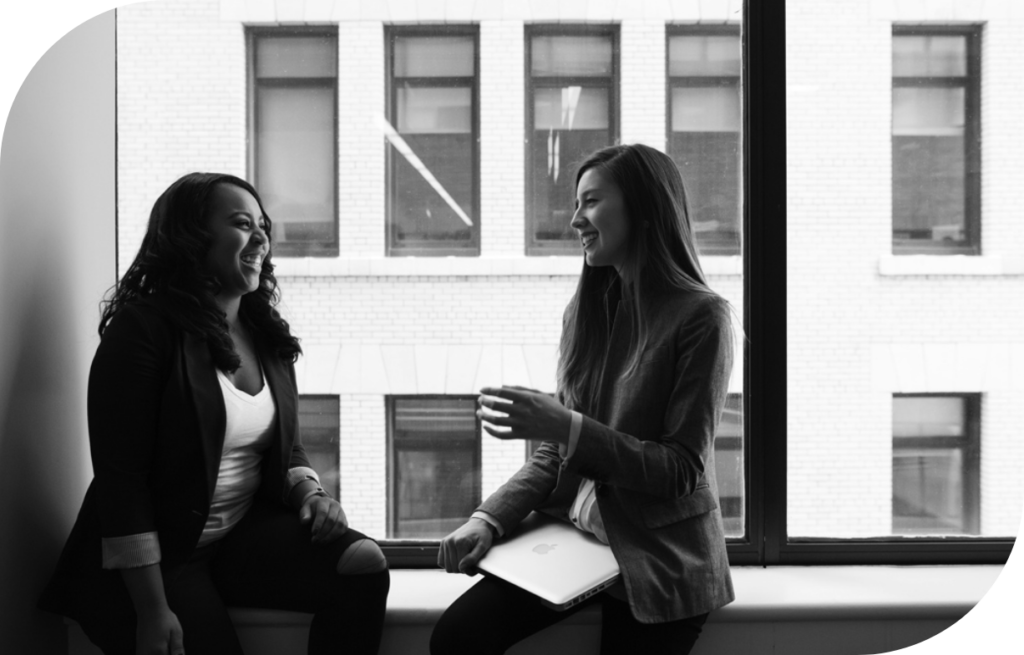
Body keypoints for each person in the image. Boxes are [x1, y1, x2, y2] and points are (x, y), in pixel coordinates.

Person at [38, 173, 390, 655]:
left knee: (362, 563)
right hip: (158, 563)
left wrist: (311, 490)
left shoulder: (264, 333)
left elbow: (283, 445)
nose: (262, 237)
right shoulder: (142, 330)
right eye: (243, 224)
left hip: (236, 537)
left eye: (263, 225)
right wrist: (151, 611)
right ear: (191, 236)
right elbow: (123, 484)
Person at [430, 144, 736, 655]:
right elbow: (556, 452)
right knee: (456, 638)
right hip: (576, 545)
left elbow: (680, 470)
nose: (575, 220)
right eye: (577, 204)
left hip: (659, 555)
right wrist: (488, 518)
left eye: (590, 202)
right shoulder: (587, 311)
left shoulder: (703, 318)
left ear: (643, 208)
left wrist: (568, 427)